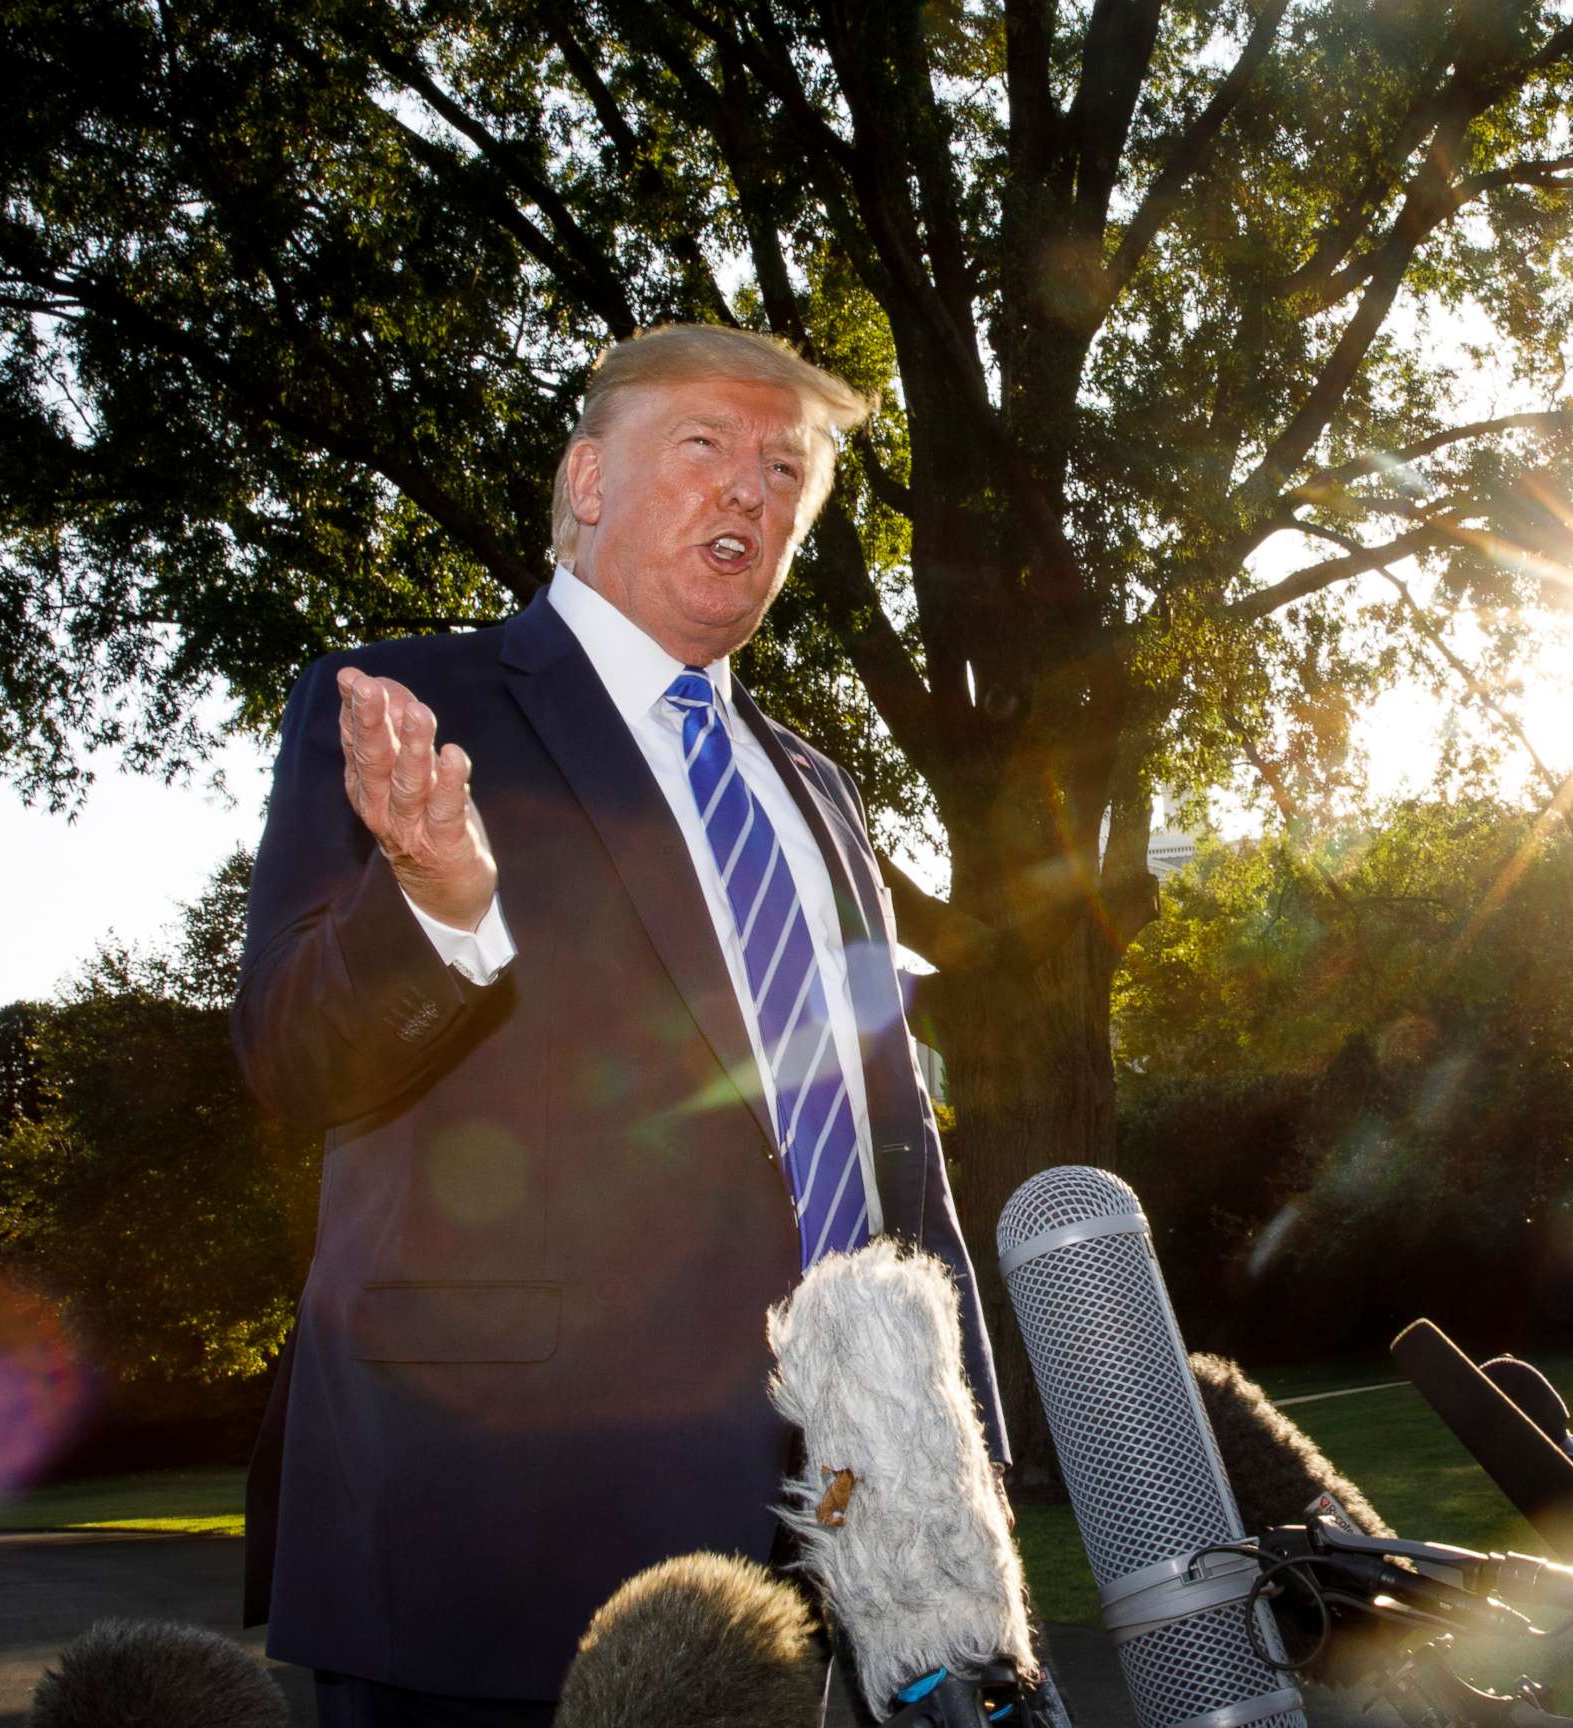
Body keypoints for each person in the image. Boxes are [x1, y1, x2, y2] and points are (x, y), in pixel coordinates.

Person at [231, 324, 1006, 1728]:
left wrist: (961, 1441)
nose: (752, 492)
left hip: (829, 1525)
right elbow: (293, 1057)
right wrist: (435, 902)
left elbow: (892, 1150)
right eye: (704, 446)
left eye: (786, 469)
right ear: (586, 482)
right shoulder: (412, 708)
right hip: (496, 1521)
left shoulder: (819, 790)